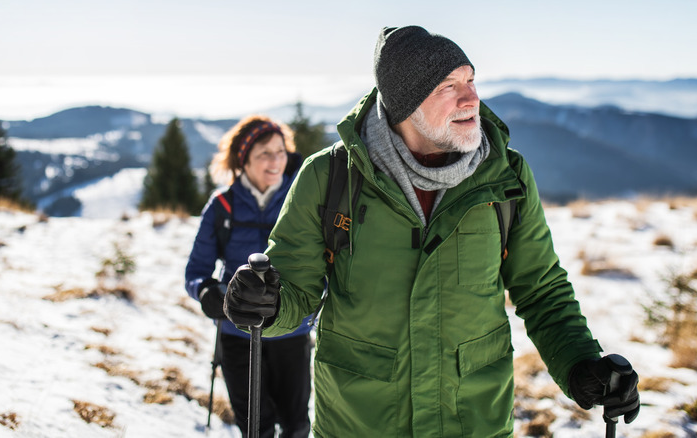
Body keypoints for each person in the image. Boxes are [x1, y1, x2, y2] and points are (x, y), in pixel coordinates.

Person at [224, 26, 640, 437]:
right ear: (406, 104)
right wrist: (268, 306)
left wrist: (581, 363)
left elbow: (541, 289)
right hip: (359, 422)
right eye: (448, 86)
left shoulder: (505, 177)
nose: (471, 98)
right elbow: (296, 290)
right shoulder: (330, 177)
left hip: (473, 421)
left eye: (470, 79)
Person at [185, 115, 312, 438]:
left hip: (291, 334)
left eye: (280, 151)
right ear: (244, 160)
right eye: (264, 154)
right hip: (237, 335)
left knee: (297, 425)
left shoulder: (302, 202)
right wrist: (207, 293)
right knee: (257, 429)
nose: (275, 161)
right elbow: (196, 272)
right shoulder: (222, 207)